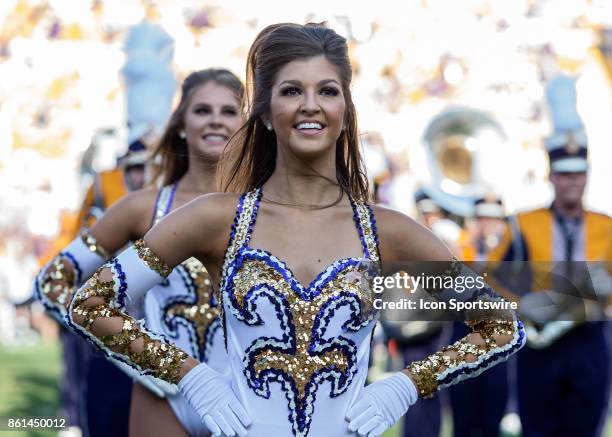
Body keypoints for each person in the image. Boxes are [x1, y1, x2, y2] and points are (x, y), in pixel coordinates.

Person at [68, 23, 525, 437]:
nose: (310, 105)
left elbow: (501, 325)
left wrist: (406, 385)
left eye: (327, 91)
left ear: (346, 108)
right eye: (291, 91)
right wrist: (192, 375)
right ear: (265, 112)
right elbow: (90, 304)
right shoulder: (215, 218)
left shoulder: (389, 230)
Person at [34, 68, 244, 437]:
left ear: (245, 125)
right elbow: (54, 280)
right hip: (162, 394)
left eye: (229, 111)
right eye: (202, 110)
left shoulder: (268, 207)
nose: (216, 120)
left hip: (246, 395)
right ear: (180, 125)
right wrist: (132, 354)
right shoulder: (142, 208)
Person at [488, 75, 611, 437]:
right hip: (540, 342)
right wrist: (523, 305)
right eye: (564, 175)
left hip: (589, 339)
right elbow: (494, 276)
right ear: (551, 176)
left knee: (586, 427)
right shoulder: (525, 223)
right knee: (537, 428)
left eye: (578, 175)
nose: (572, 182)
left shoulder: (606, 226)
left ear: (587, 176)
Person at [449, 194, 511, 437]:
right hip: (464, 334)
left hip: (497, 340)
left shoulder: (509, 247)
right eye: (483, 218)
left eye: (494, 219)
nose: (488, 224)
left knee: (491, 416)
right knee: (462, 415)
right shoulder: (462, 246)